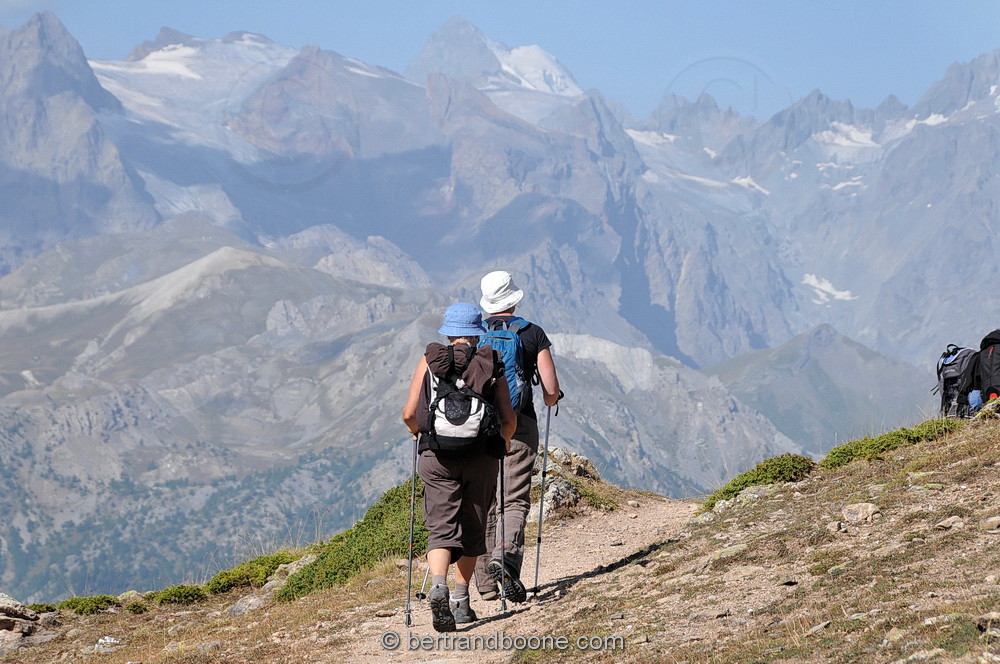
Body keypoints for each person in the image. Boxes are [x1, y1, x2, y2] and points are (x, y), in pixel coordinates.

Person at [401, 302, 516, 632]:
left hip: (436, 457)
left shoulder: (429, 361)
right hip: (480, 458)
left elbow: (410, 413)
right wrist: (503, 443)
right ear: (477, 334)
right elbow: (507, 418)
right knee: (474, 528)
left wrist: (417, 434)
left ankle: (438, 585)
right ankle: (461, 601)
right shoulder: (489, 362)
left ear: (449, 334)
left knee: (441, 528)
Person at [474, 271, 561, 603]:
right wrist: (551, 398)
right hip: (521, 425)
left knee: (486, 501)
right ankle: (506, 559)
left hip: (480, 427)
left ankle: (483, 585)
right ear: (514, 299)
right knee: (514, 499)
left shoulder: (477, 335)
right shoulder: (531, 333)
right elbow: (550, 390)